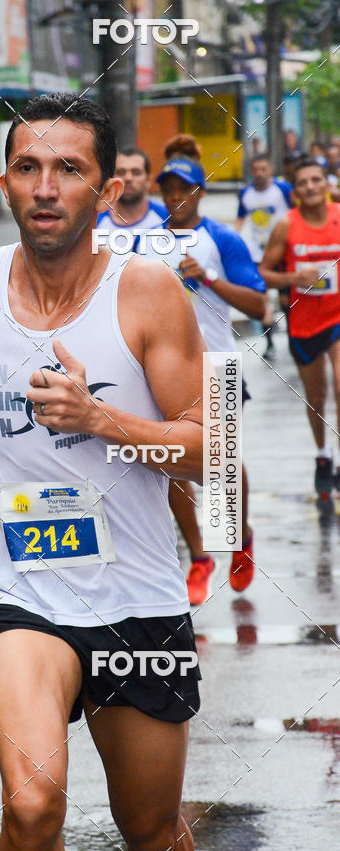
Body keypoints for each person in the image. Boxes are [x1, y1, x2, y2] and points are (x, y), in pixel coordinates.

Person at [0, 93, 204, 851]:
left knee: (150, 827)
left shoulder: (147, 293)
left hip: (137, 596)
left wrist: (98, 418)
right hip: (21, 591)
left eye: (68, 169)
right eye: (28, 168)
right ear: (5, 182)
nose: (44, 187)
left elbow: (209, 450)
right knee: (32, 807)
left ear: (107, 190)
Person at [142, 157, 266, 605]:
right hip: (159, 370)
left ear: (201, 192)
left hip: (217, 366)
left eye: (185, 188)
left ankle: (238, 537)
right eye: (169, 188)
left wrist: (208, 278)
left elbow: (259, 306)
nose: (176, 196)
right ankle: (199, 556)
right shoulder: (146, 242)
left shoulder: (222, 238)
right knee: (168, 459)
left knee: (220, 465)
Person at [259, 156, 340, 501]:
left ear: (326, 184)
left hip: (337, 315)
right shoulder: (286, 226)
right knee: (316, 396)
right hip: (304, 322)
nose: (310, 187)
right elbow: (262, 272)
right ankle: (323, 455)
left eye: (316, 180)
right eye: (303, 182)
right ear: (295, 192)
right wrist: (294, 277)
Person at [234, 154, 293, 359]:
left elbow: (296, 210)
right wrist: (233, 240)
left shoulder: (282, 189)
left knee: (286, 299)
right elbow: (240, 219)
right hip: (258, 254)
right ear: (251, 171)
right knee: (262, 298)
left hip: (283, 252)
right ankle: (269, 344)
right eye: (256, 169)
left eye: (263, 169)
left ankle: (293, 338)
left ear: (270, 170)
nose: (259, 173)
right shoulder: (246, 193)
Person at [95, 146, 167, 238]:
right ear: (111, 180)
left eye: (136, 172)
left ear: (148, 180)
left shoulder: (167, 218)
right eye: (121, 172)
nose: (128, 178)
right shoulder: (94, 220)